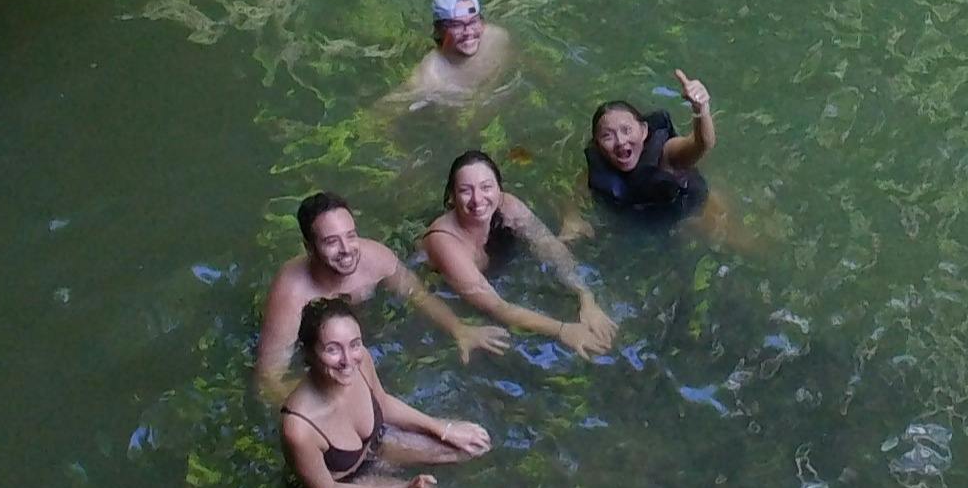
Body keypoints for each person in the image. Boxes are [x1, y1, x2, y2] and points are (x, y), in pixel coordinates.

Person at [257, 190, 505, 401]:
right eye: (331, 241)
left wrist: (458, 329)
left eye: (351, 236)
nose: (347, 250)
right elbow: (269, 382)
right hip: (320, 357)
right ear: (309, 247)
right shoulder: (292, 294)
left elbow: (418, 295)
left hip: (364, 340)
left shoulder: (376, 258)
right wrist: (340, 394)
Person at [278, 296, 488, 488]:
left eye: (354, 344)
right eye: (332, 349)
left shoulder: (361, 360)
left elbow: (384, 404)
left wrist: (444, 430)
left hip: (375, 447)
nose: (348, 360)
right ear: (308, 353)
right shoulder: (299, 428)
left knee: (474, 445)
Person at [422, 148, 614, 353]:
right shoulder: (444, 242)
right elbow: (496, 306)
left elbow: (550, 248)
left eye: (486, 187)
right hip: (443, 285)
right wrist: (562, 330)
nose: (477, 199)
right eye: (465, 190)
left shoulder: (508, 206)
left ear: (498, 189)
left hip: (492, 268)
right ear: (452, 196)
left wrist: (585, 296)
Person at [579, 77, 714, 226]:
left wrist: (701, 109)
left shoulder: (667, 154)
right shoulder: (600, 164)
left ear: (644, 131)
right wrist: (572, 218)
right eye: (607, 136)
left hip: (696, 214)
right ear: (598, 145)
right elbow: (579, 188)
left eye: (626, 130)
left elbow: (702, 144)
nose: (620, 141)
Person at [390, 0, 521, 111]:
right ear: (439, 30)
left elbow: (520, 63)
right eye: (456, 25)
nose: (469, 32)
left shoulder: (497, 38)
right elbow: (383, 110)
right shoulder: (429, 78)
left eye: (473, 22)